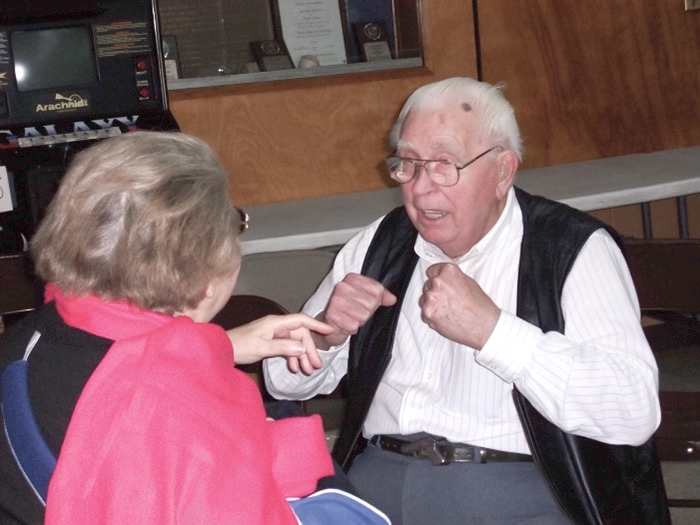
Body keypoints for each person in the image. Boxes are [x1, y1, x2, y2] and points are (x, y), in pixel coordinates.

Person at [264, 77, 669, 524]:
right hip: (376, 486)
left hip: (520, 494)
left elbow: (634, 411)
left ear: (502, 172)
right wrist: (326, 333)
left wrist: (495, 333)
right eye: (409, 164)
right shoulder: (379, 244)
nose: (420, 188)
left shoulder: (570, 249)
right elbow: (281, 380)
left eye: (444, 164)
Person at [0, 131, 390, 524]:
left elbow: (108, 364)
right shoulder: (177, 401)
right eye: (235, 225)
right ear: (203, 271)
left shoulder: (31, 334)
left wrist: (219, 346)